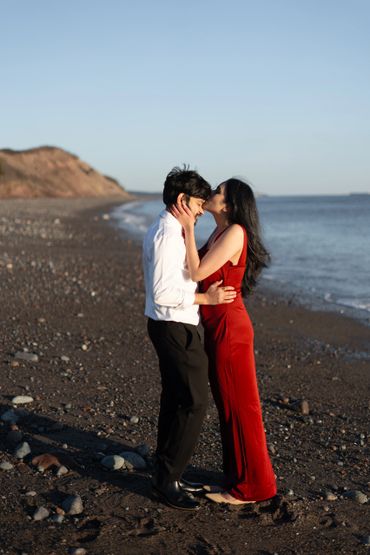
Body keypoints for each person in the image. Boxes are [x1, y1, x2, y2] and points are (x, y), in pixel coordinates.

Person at [170, 178, 277, 505]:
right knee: (230, 406)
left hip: (231, 329)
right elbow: (190, 268)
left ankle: (252, 488)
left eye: (217, 193)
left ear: (229, 206)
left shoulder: (234, 233)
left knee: (241, 408)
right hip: (219, 328)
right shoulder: (220, 232)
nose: (211, 196)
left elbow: (199, 272)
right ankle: (239, 478)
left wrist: (188, 228)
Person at [143, 166, 237, 511]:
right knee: (194, 403)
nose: (201, 210)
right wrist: (207, 300)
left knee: (176, 400)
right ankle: (168, 481)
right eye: (198, 204)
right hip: (174, 326)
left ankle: (168, 475)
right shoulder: (168, 235)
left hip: (170, 325)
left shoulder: (171, 228)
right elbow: (164, 292)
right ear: (182, 200)